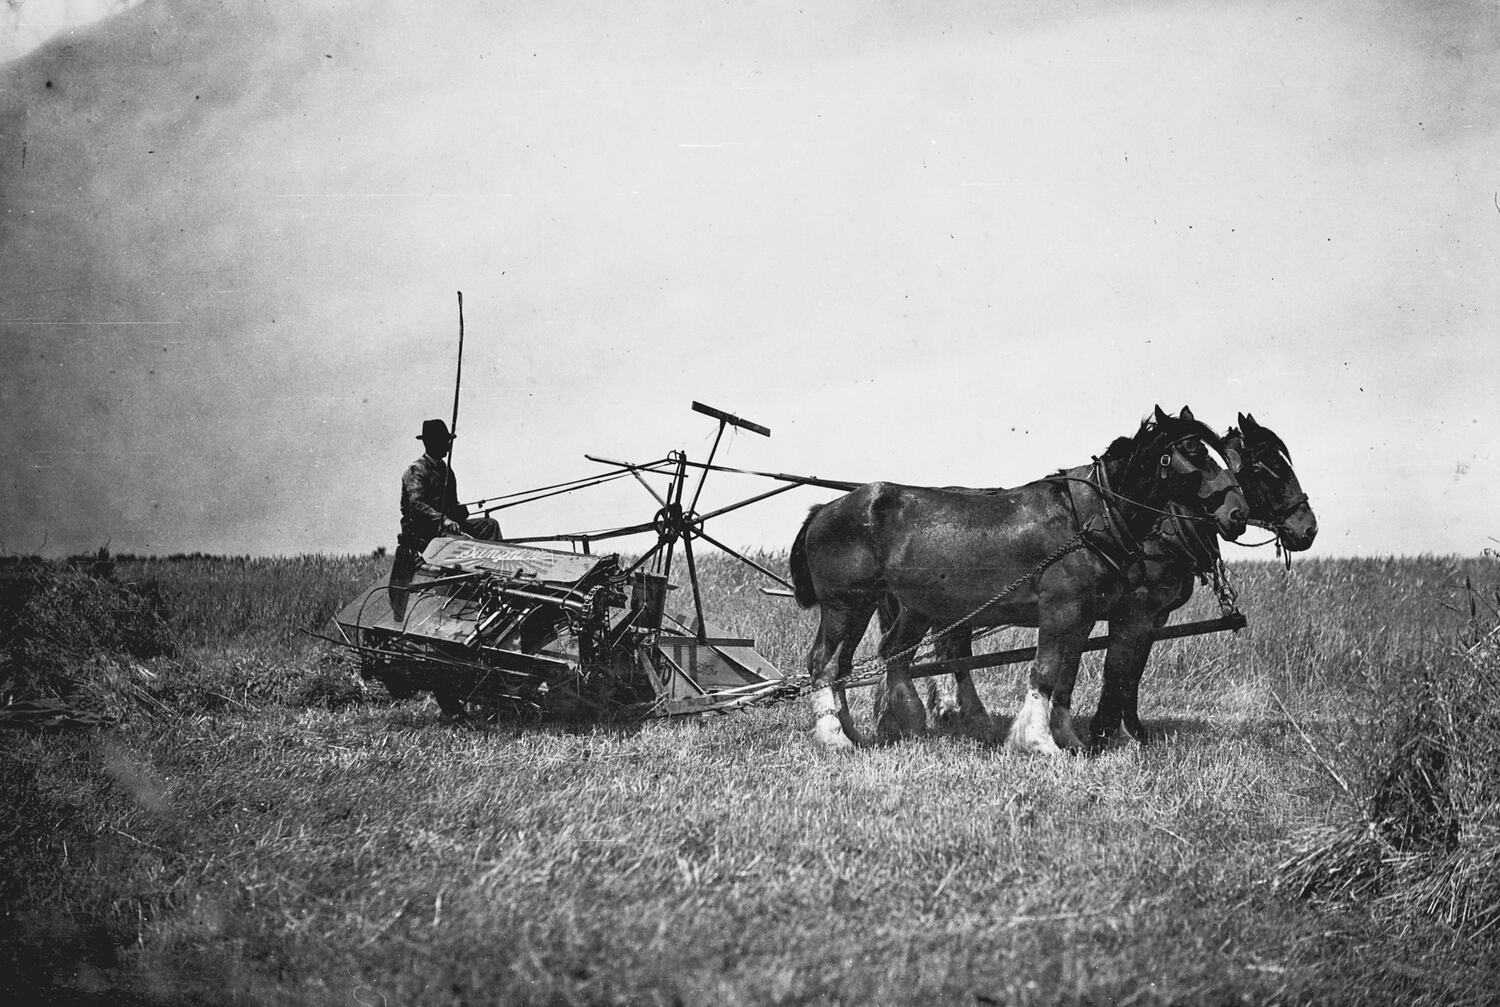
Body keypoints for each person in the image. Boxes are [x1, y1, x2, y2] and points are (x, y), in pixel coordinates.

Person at [389, 419, 500, 609]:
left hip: (447, 526)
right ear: (431, 443)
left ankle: (498, 573)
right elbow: (417, 505)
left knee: (490, 525)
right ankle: (474, 584)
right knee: (461, 541)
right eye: (444, 441)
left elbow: (451, 505)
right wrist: (445, 520)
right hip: (423, 532)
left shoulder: (447, 471)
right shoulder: (416, 470)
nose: (448, 445)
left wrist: (459, 511)